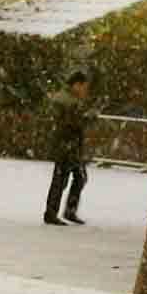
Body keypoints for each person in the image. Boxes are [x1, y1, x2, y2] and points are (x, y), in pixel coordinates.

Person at [42, 77, 97, 226]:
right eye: (84, 87)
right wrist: (89, 117)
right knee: (63, 179)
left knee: (75, 177)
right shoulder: (68, 101)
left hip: (68, 145)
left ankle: (64, 211)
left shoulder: (68, 99)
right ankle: (53, 213)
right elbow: (74, 123)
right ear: (76, 85)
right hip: (66, 145)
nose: (86, 91)